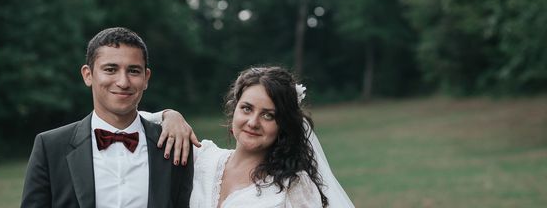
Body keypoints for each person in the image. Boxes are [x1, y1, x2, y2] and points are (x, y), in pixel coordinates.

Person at [20, 26, 196, 208]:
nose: (123, 82)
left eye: (134, 71)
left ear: (146, 78)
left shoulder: (174, 144)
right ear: (88, 75)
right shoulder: (50, 147)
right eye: (111, 69)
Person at [146, 66, 355, 208]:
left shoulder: (294, 185)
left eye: (268, 115)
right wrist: (168, 115)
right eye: (247, 109)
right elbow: (126, 121)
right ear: (234, 110)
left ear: (283, 125)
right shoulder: (201, 158)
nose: (253, 122)